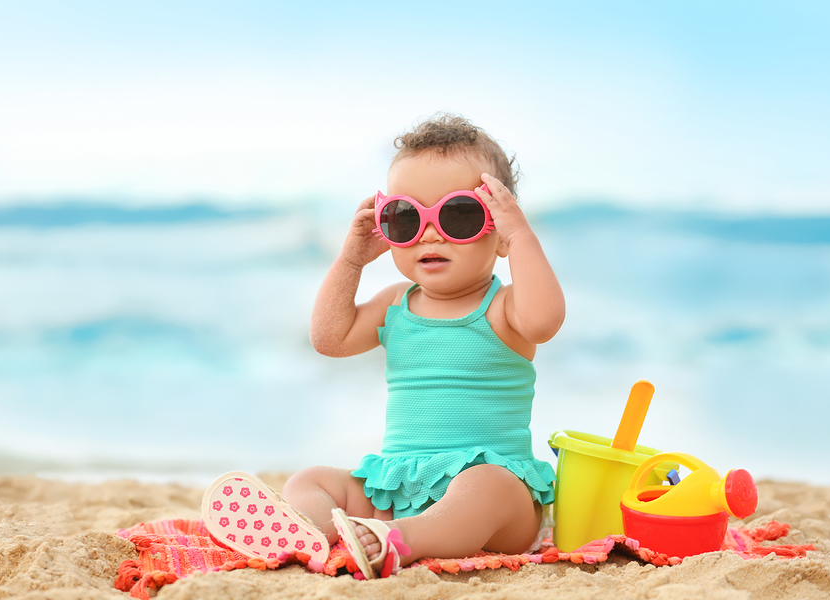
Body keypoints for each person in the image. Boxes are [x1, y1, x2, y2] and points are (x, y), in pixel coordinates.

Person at [201, 113, 565, 579]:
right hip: (399, 487)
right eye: (407, 217)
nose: (430, 232)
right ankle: (308, 530)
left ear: (497, 231)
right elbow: (329, 339)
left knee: (488, 486)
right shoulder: (395, 304)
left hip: (494, 500)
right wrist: (351, 259)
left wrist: (521, 237)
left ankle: (405, 541)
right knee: (311, 479)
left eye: (459, 214)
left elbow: (545, 320)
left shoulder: (505, 308)